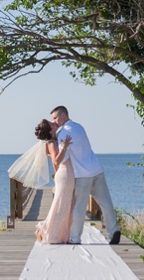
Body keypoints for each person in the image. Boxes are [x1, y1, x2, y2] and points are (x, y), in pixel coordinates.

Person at [51, 105, 121, 245]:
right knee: (106, 203)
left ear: (63, 115)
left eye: (55, 117)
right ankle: (114, 231)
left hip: (83, 174)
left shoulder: (64, 133)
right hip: (96, 168)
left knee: (79, 207)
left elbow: (62, 159)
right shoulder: (79, 126)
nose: (54, 121)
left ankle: (75, 238)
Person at [33, 119, 76, 244]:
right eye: (52, 124)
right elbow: (56, 161)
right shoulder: (51, 143)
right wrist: (65, 147)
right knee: (60, 205)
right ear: (50, 130)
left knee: (66, 205)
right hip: (64, 175)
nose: (54, 123)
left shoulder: (54, 140)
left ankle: (60, 233)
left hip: (66, 175)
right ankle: (47, 231)